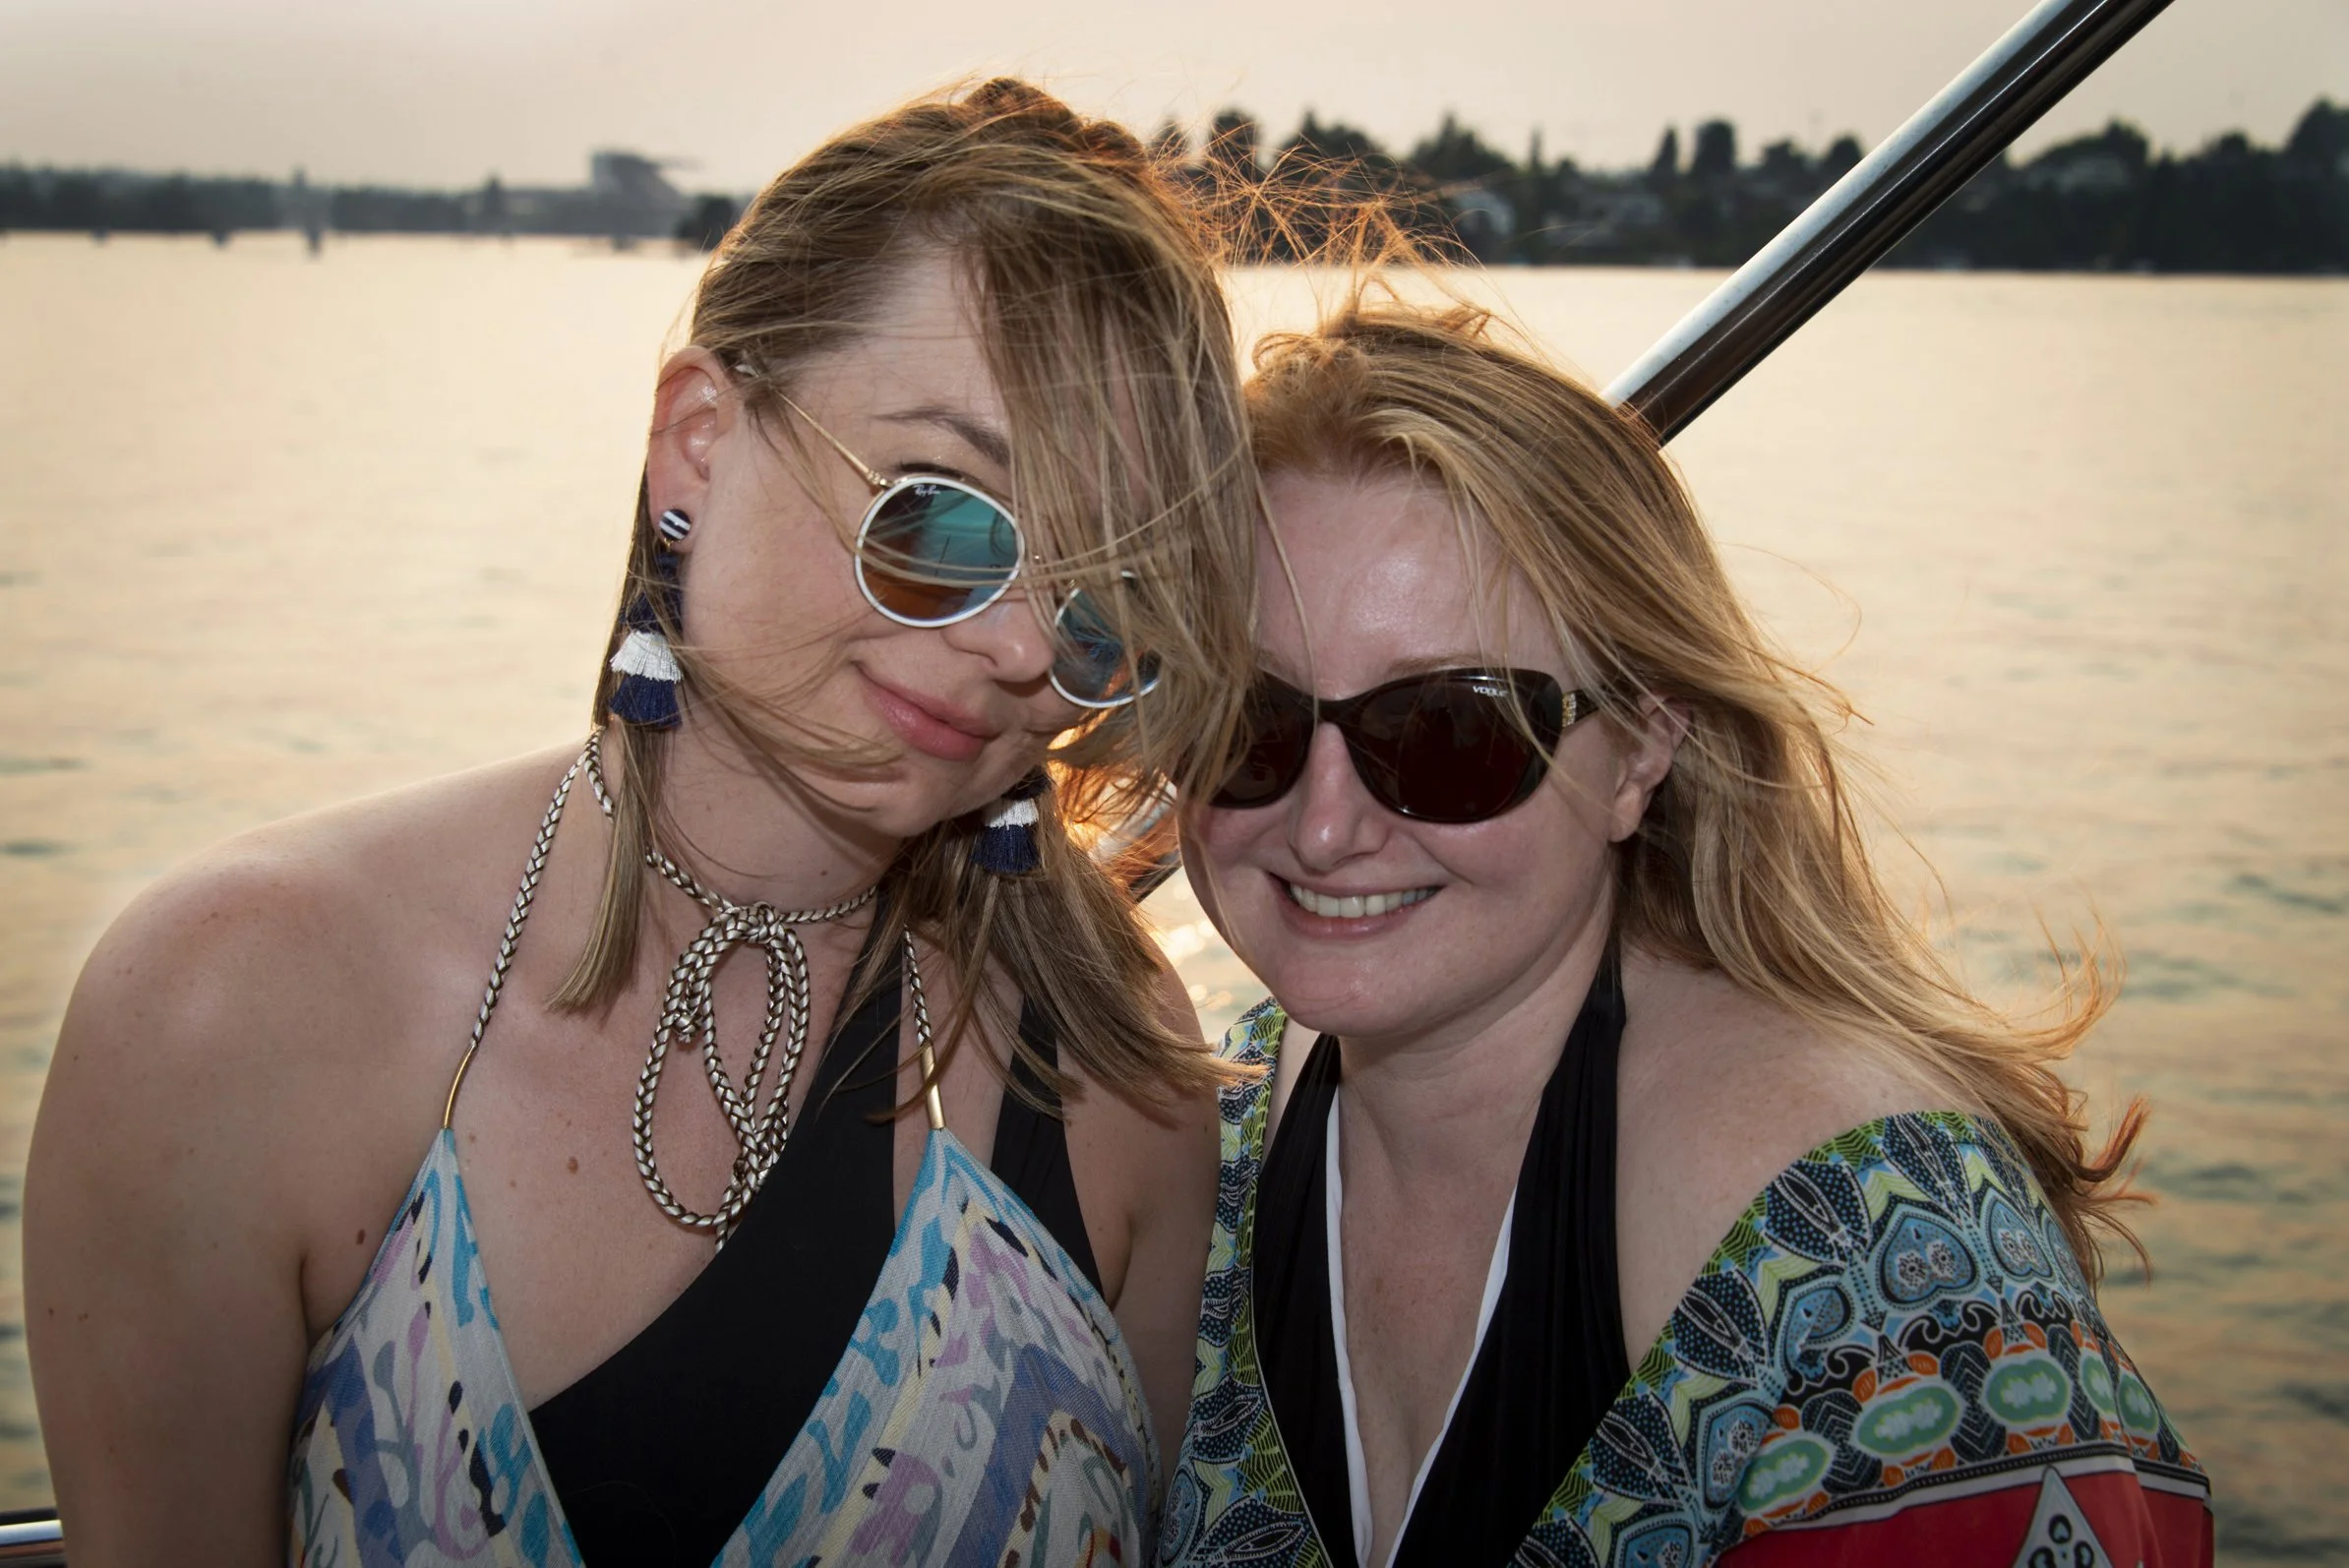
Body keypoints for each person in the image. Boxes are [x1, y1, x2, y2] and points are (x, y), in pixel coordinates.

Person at [28, 80, 1258, 1567]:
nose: (1018, 647)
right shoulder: (232, 1012)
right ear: (697, 443)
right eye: (943, 519)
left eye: (1102, 602)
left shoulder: (1124, 1079)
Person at [1159, 301, 2213, 1567]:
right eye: (1245, 718)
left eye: (1450, 730)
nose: (1324, 828)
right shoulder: (1203, 1137)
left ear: (1640, 754)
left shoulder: (1864, 1264)